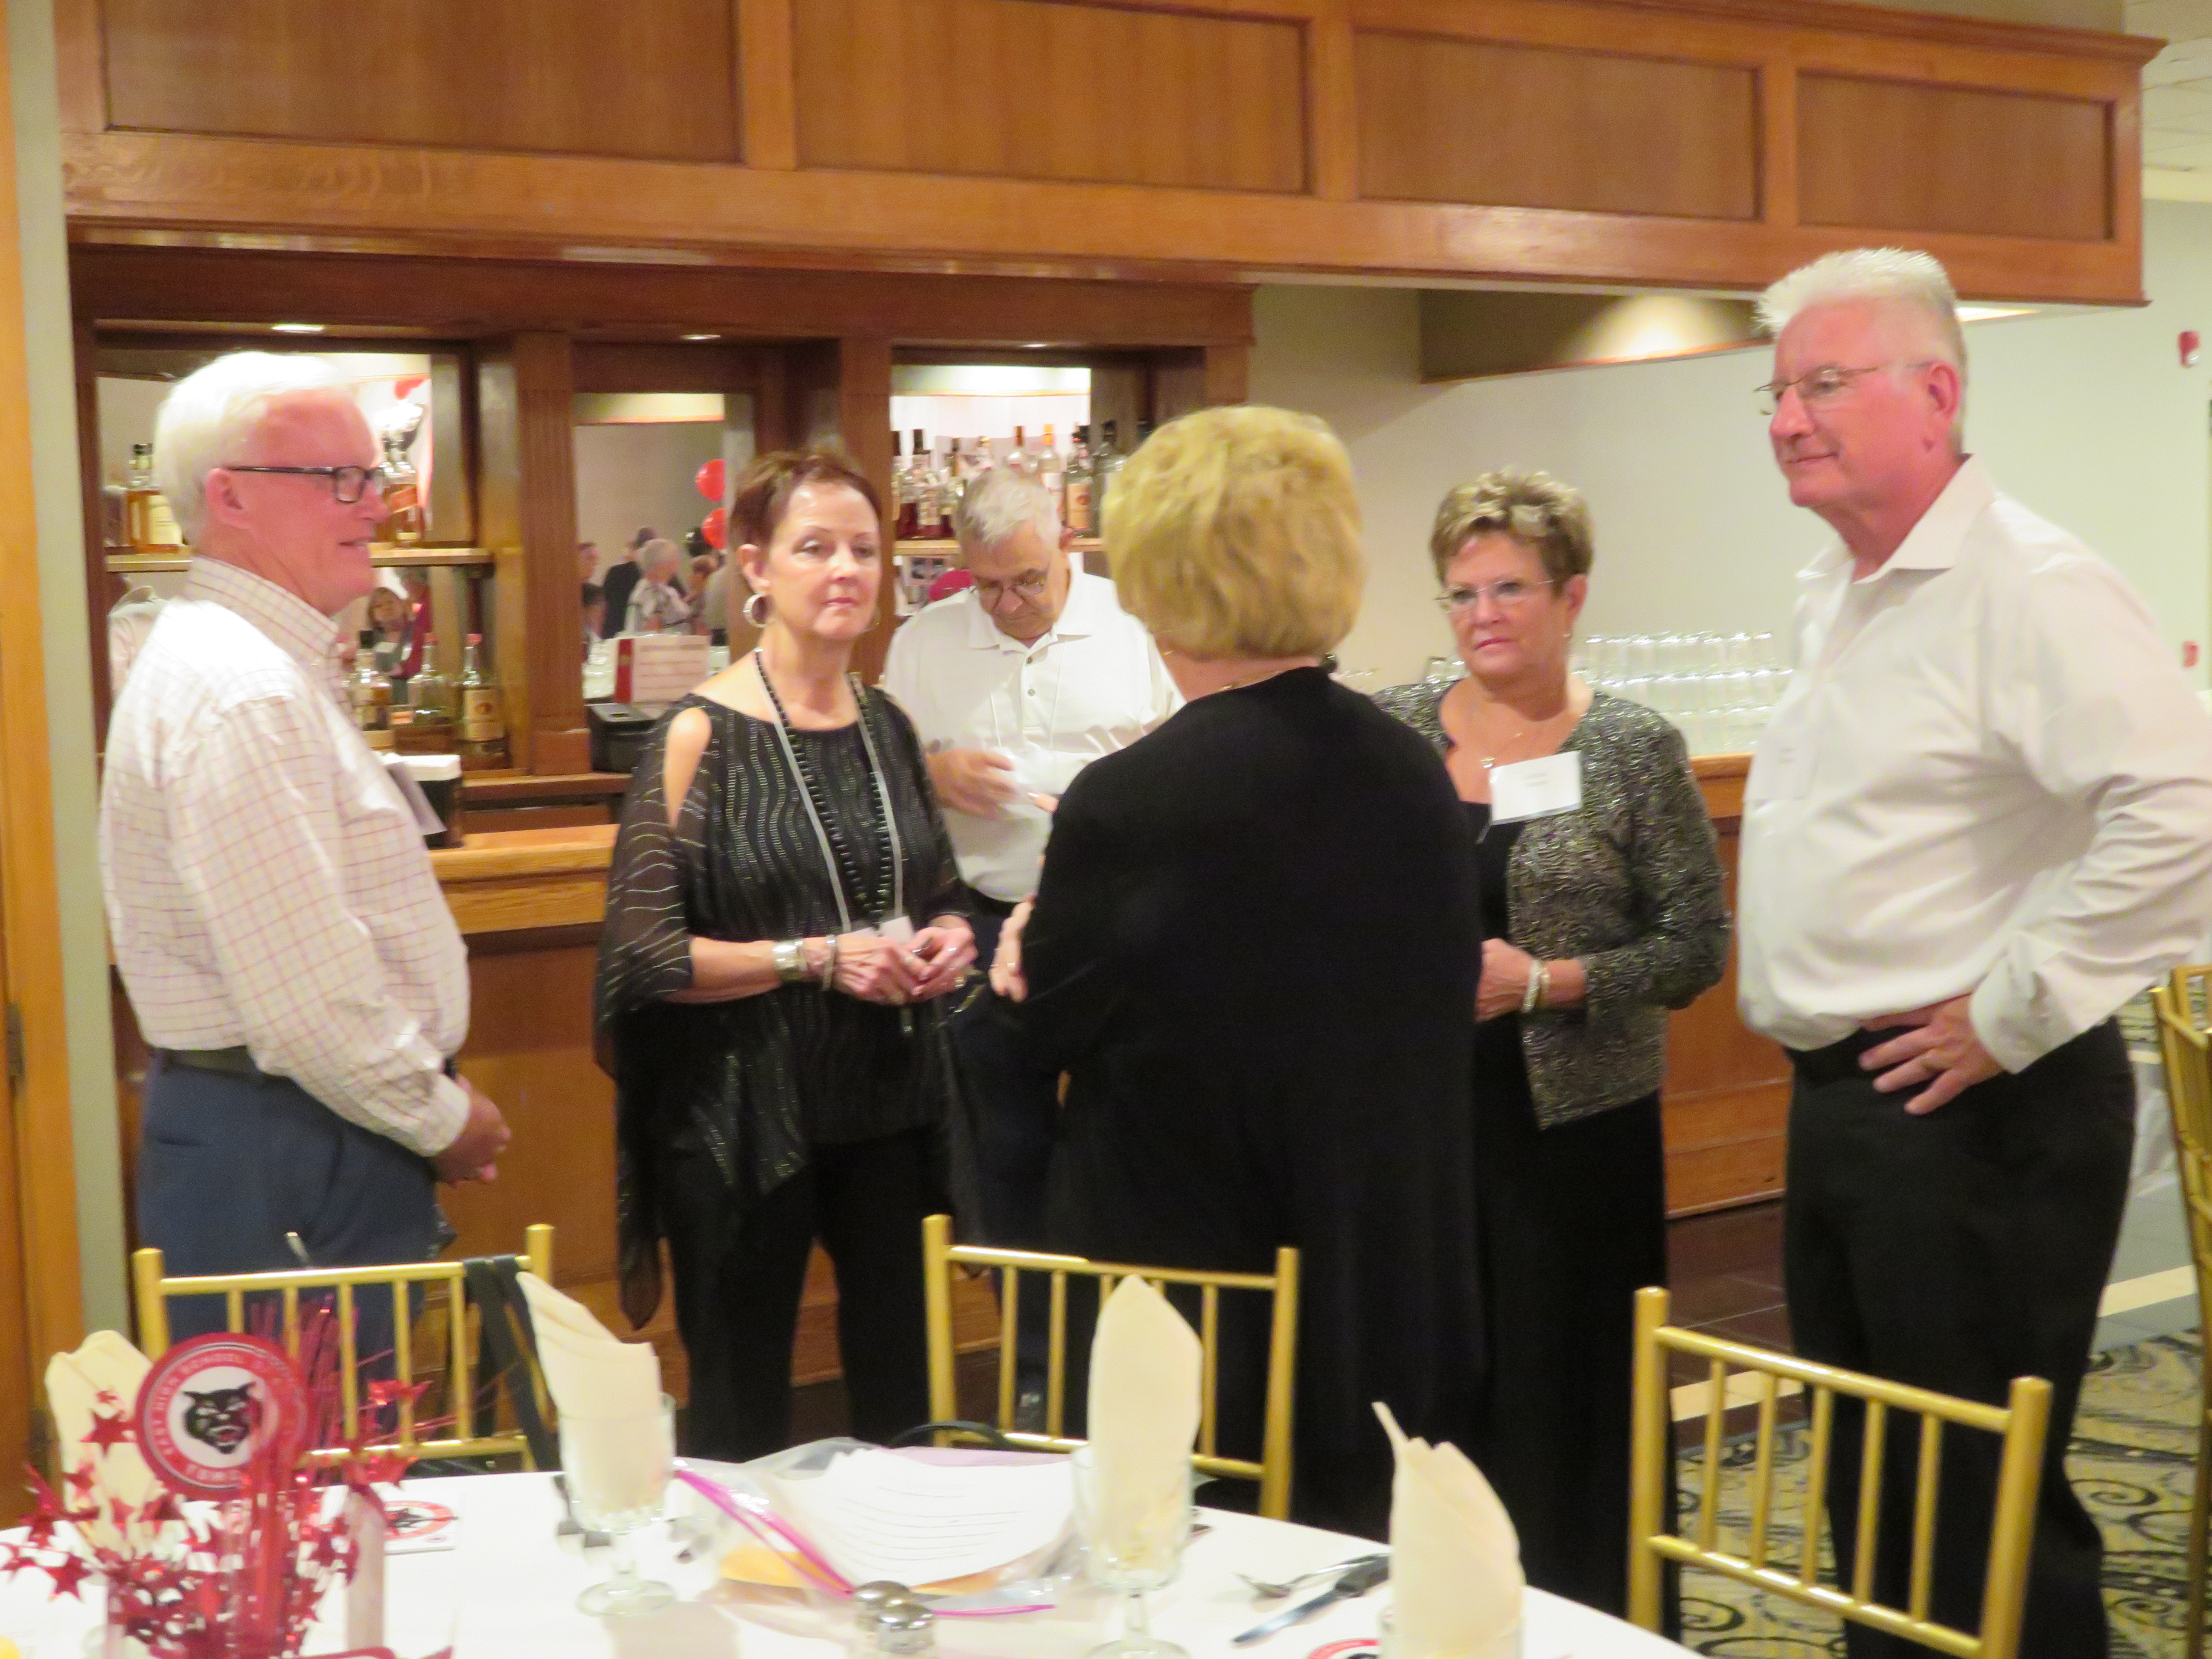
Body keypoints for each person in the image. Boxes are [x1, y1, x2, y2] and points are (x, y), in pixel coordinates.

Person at [1738, 247, 2212, 1658]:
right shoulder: (1836, 590)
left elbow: (2183, 809)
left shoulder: (2030, 583)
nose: (1787, 419)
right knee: (1877, 1502)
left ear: (1937, 394)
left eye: (1825, 384)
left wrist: (2010, 1011)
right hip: (1848, 1100)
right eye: (1777, 392)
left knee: (1978, 1518)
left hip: (1977, 1108)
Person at [991, 406, 1482, 1539]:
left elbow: (1036, 1028)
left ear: (1164, 579)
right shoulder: (1415, 772)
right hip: (1385, 1273)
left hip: (1204, 1306)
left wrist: (1026, 940)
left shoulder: (1133, 801)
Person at [100, 351, 511, 1345]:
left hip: (303, 1129)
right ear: (229, 496)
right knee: (315, 1441)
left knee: (339, 1435)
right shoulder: (242, 688)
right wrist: (441, 1118)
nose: (374, 505)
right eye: (338, 478)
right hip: (286, 1139)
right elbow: (308, 1001)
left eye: (373, 475)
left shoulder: (252, 663)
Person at [1376, 470, 1726, 1616]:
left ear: (1570, 597)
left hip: (1576, 1137)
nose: (1481, 614)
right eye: (1461, 592)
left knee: (1567, 1398)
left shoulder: (1630, 747)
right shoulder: (1393, 733)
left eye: (1509, 588)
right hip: (1426, 1129)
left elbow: (1694, 947)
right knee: (1438, 1390)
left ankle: (1589, 1621)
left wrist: (1547, 982)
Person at [594, 448, 975, 1459]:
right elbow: (644, 958)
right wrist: (813, 958)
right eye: (815, 548)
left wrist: (951, 938)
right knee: (740, 1405)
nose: (846, 570)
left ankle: (906, 1557)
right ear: (756, 567)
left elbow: (934, 891)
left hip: (885, 1100)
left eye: (864, 549)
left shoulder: (888, 725)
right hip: (740, 1112)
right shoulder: (697, 735)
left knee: (906, 1395)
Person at [882, 468, 1178, 1283]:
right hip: (979, 919)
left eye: (1027, 580)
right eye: (986, 587)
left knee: (1122, 1134)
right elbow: (877, 776)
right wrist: (929, 774)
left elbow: (1185, 765)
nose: (1007, 603)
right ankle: (1030, 1333)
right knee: (1003, 1148)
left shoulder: (1137, 625)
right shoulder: (923, 641)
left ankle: (1123, 1328)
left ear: (1068, 546)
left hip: (1114, 923)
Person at [624, 537, 694, 634]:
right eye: (674, 558)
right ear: (661, 564)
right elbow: (652, 631)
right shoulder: (650, 592)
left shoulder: (665, 591)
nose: (678, 562)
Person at [599, 527, 651, 634]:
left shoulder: (615, 572)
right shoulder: (655, 575)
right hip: (643, 635)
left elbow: (603, 605)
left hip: (614, 633)